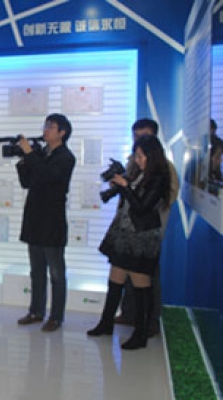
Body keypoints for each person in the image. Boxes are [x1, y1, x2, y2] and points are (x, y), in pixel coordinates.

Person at [88, 134, 171, 350]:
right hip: (124, 233)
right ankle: (106, 323)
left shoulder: (159, 177)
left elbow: (142, 207)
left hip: (142, 237)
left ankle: (141, 333)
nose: (138, 159)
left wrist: (125, 186)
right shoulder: (140, 173)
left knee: (141, 284)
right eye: (136, 155)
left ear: (152, 155)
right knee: (115, 280)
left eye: (141, 156)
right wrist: (122, 184)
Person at [114, 118, 179, 336]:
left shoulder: (165, 168)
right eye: (136, 136)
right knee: (125, 270)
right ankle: (129, 313)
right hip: (128, 227)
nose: (138, 141)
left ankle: (151, 320)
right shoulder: (133, 162)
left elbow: (166, 200)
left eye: (144, 136)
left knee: (148, 275)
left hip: (148, 230)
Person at [16, 113, 76, 332]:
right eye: (45, 125)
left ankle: (56, 317)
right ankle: (36, 311)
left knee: (56, 274)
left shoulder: (66, 157)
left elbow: (48, 177)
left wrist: (31, 155)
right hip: (35, 219)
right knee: (36, 271)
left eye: (51, 126)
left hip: (52, 223)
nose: (45, 129)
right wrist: (24, 158)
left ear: (62, 132)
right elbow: (27, 182)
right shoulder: (42, 153)